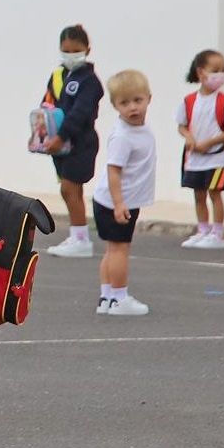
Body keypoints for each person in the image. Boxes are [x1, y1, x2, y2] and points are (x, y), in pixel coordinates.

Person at [91, 70, 156, 316]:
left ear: (149, 98)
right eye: (124, 103)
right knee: (119, 249)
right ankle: (119, 298)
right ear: (115, 105)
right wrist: (119, 204)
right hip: (117, 202)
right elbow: (114, 172)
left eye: (137, 100)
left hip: (121, 200)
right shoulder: (122, 136)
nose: (132, 108)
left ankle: (107, 297)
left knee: (113, 249)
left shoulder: (140, 130)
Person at [41, 25, 103, 258]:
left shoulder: (89, 80)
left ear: (87, 49)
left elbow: (80, 113)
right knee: (67, 190)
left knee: (71, 188)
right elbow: (48, 103)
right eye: (66, 51)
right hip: (60, 143)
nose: (71, 55)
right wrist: (43, 132)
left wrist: (61, 136)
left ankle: (81, 240)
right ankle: (77, 235)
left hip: (80, 141)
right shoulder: (59, 75)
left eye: (76, 50)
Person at [176, 48, 224, 252]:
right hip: (195, 159)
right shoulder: (189, 101)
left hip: (217, 159)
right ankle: (203, 229)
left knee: (215, 193)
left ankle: (217, 233)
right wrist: (189, 138)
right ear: (201, 72)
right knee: (198, 194)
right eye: (215, 69)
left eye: (223, 70)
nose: (220, 74)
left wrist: (209, 143)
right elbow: (182, 126)